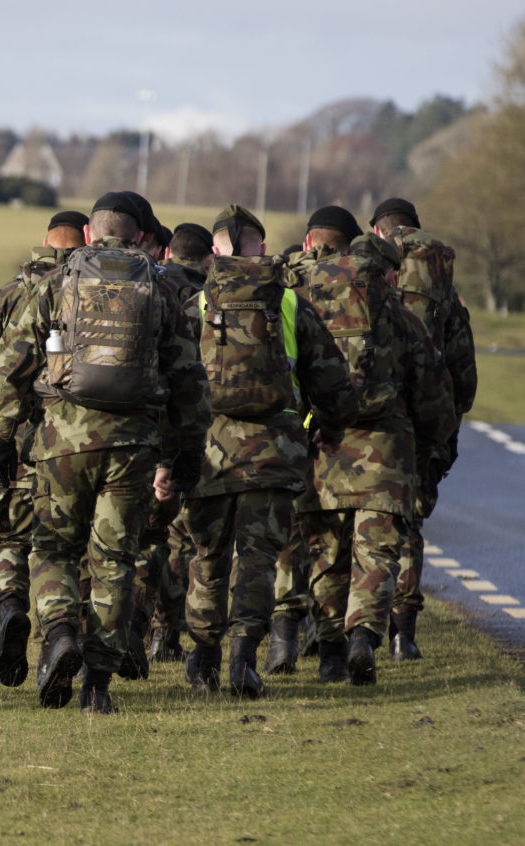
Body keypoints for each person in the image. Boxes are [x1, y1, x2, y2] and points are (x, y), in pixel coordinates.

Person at [0, 192, 210, 713]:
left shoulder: (58, 282)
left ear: (89, 234)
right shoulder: (159, 287)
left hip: (61, 444)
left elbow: (11, 365)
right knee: (114, 559)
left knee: (53, 549)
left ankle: (60, 631)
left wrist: (0, 439)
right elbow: (188, 379)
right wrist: (187, 452)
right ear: (138, 237)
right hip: (131, 449)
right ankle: (97, 687)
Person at [178, 206, 356, 698]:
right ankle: (243, 661)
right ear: (260, 247)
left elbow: (169, 382)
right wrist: (327, 429)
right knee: (258, 558)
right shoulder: (291, 303)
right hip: (275, 452)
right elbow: (334, 384)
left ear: (215, 250)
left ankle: (203, 658)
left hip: (208, 452)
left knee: (208, 557)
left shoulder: (193, 303)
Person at [290, 207, 457, 685]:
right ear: (387, 272)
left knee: (326, 554)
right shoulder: (403, 319)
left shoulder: (308, 306)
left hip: (323, 448)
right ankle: (364, 635)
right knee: (377, 554)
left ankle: (330, 653)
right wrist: (428, 449)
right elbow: (433, 396)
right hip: (386, 453)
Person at [0, 209, 88, 687]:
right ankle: (60, 636)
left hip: (14, 443)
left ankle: (10, 604)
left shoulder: (7, 296)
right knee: (63, 547)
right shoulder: (96, 294)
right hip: (77, 445)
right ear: (85, 240)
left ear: (44, 242)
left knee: (4, 532)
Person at [370, 197, 479, 659]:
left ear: (377, 232)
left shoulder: (365, 278)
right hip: (428, 420)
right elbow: (463, 368)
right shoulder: (444, 290)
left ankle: (347, 630)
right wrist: (448, 423)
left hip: (374, 417)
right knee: (409, 522)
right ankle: (404, 634)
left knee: (361, 521)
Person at [142, 222, 214, 663]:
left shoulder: (155, 286)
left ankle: (144, 633)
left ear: (169, 251)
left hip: (148, 433)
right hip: (199, 433)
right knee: (187, 541)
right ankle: (170, 635)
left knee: (149, 538)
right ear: (208, 257)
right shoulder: (210, 296)